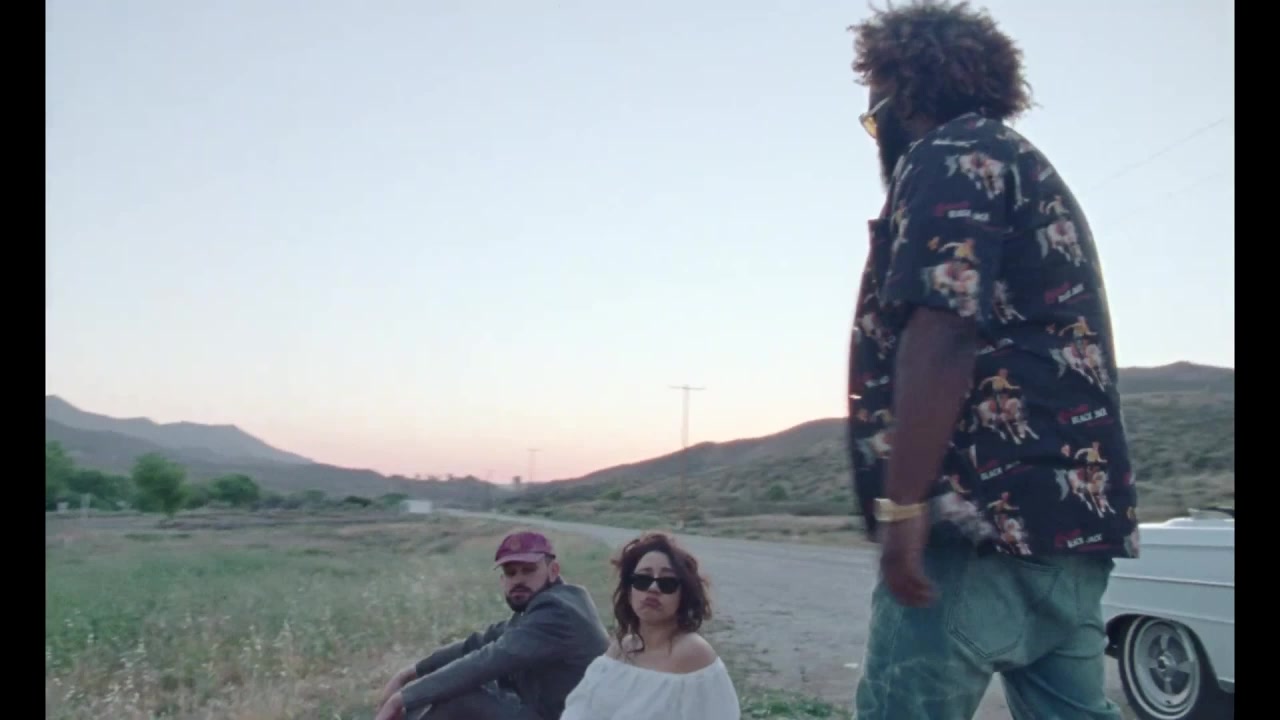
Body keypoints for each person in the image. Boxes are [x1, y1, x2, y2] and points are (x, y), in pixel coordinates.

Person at [843, 2, 1139, 719]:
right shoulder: (1026, 168)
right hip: (1070, 525)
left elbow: (942, 331)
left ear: (906, 95)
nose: (878, 137)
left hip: (979, 521)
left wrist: (904, 505)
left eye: (874, 118)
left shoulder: (947, 154)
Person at [375, 530, 609, 720]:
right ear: (502, 580)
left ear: (553, 571)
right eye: (510, 572)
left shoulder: (557, 612)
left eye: (528, 570)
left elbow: (488, 660)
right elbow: (481, 642)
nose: (518, 580)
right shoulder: (544, 607)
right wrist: (411, 672)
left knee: (460, 696)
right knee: (442, 693)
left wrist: (403, 697)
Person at [560, 532, 740, 719]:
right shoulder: (620, 651)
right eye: (642, 580)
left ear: (684, 594)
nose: (653, 589)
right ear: (629, 590)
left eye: (667, 583)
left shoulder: (693, 654)